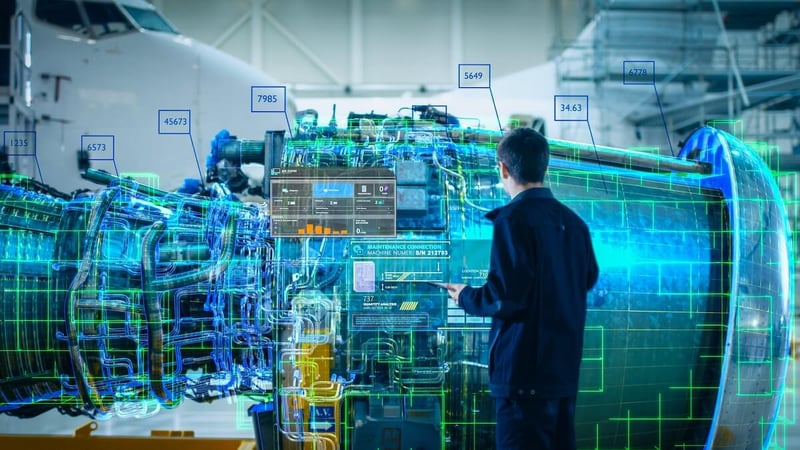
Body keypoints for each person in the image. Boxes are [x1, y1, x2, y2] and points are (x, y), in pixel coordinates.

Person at [444, 127, 599, 450]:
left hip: (522, 379)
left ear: (503, 168)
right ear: (545, 165)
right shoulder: (575, 224)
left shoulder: (512, 220)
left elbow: (504, 297)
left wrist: (466, 296)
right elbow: (588, 279)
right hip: (562, 378)